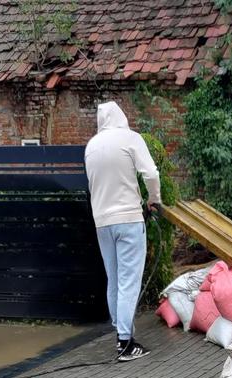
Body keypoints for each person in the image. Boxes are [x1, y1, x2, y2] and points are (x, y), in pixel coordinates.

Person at [85, 101, 161, 360]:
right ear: (122, 117)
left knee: (114, 279)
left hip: (102, 222)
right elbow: (150, 172)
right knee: (129, 281)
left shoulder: (91, 146)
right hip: (128, 218)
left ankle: (121, 333)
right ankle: (126, 344)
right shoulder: (131, 138)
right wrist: (154, 198)